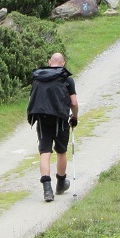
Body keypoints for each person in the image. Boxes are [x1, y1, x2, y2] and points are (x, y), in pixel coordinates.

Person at [26, 52, 79, 202]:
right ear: (63, 63)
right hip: (60, 118)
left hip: (42, 117)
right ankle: (61, 183)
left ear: (49, 62)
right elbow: (73, 103)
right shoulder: (66, 79)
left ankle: (47, 189)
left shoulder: (38, 77)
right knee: (61, 151)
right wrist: (74, 117)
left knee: (45, 152)